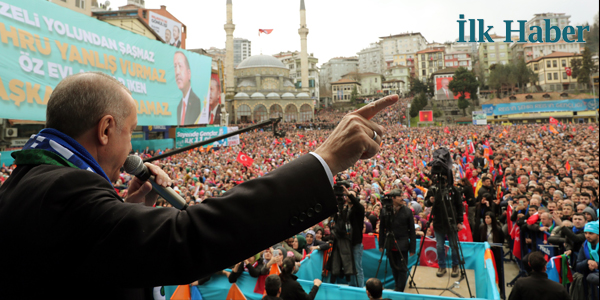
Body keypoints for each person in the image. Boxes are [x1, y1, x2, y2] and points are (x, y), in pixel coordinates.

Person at [0, 72, 398, 299]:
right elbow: (187, 237)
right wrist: (322, 161)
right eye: (130, 132)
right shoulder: (64, 192)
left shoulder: (29, 183)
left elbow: (97, 254)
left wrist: (128, 209)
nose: (131, 147)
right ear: (105, 129)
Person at [378, 189, 416, 292]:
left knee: (402, 268)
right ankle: (397, 286)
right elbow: (382, 229)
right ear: (393, 198)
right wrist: (381, 244)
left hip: (403, 244)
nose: (402, 198)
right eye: (400, 196)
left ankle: (400, 289)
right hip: (390, 244)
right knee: (393, 267)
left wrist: (412, 248)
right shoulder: (385, 210)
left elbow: (412, 230)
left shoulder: (407, 211)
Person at [424, 181, 464, 278]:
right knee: (439, 246)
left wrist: (460, 221)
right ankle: (442, 266)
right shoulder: (434, 189)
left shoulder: (454, 189)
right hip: (438, 222)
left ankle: (455, 266)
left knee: (454, 245)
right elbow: (426, 203)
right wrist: (430, 200)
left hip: (452, 221)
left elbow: (459, 206)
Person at [174, 51, 201, 125]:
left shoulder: (196, 101)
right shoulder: (179, 106)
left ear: (189, 74)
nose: (177, 72)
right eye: (175, 67)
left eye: (180, 66)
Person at [576, 221, 599, 299]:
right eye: (585, 233)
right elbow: (578, 264)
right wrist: (587, 262)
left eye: (591, 233)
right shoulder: (585, 245)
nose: (587, 236)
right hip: (591, 283)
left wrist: (597, 264)